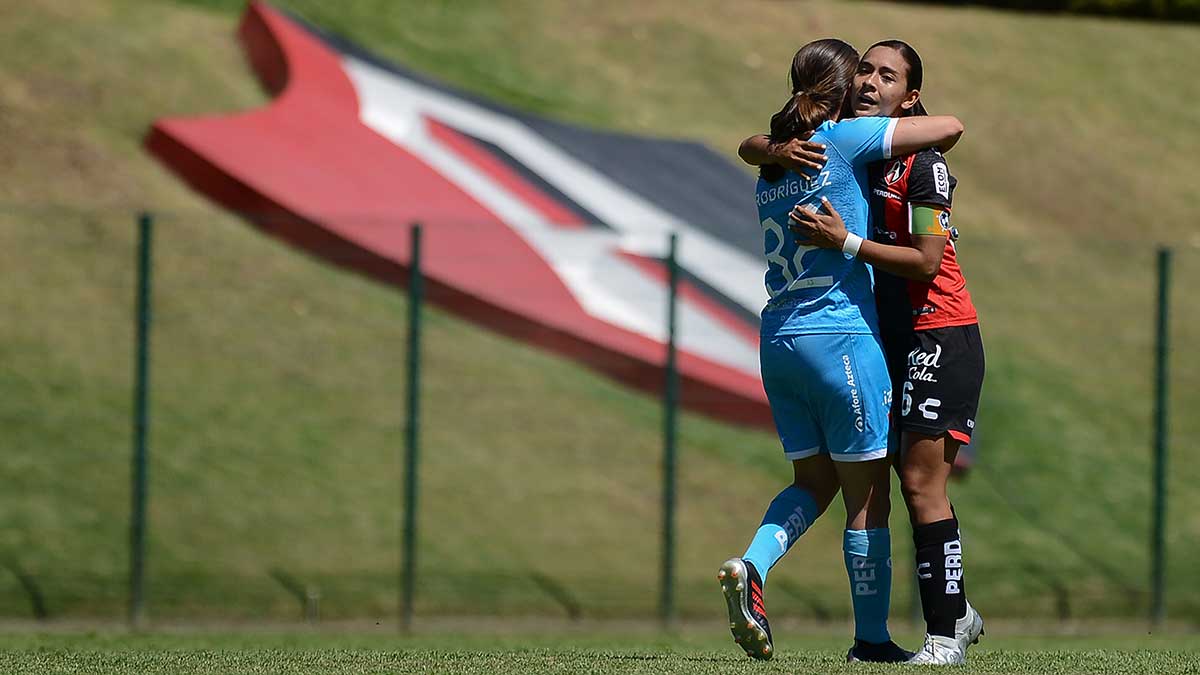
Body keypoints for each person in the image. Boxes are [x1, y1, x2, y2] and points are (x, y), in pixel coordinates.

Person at [718, 38, 964, 663]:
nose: (868, 84)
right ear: (841, 86)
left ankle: (753, 565)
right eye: (861, 74)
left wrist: (769, 145)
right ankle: (872, 640)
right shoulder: (844, 139)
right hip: (841, 338)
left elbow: (749, 145)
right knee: (868, 497)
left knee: (813, 480)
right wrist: (896, 114)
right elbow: (949, 127)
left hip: (778, 338)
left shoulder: (774, 165)